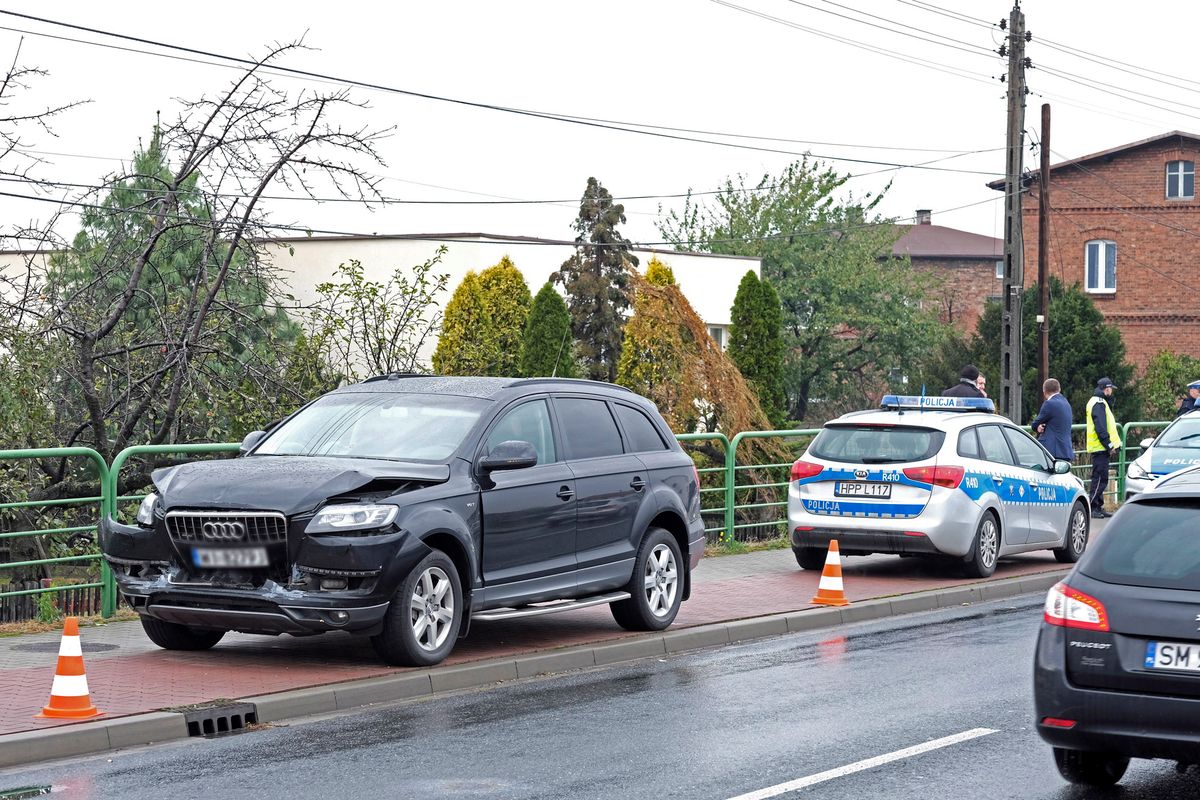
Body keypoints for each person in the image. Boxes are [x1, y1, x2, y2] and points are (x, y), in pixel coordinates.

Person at [1085, 377, 1122, 519]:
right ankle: (1093, 506)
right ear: (1106, 388)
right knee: (1099, 479)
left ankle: (1098, 506)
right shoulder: (1099, 403)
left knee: (1101, 477)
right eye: (1111, 388)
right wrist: (1109, 445)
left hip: (1100, 447)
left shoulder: (1098, 402)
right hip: (1100, 447)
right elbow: (1101, 427)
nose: (1111, 391)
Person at [1029, 378, 1074, 461]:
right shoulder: (1066, 403)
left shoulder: (1049, 404)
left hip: (1053, 452)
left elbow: (1035, 424)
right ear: (1059, 389)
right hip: (1066, 450)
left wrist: (1038, 427)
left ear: (1044, 392)